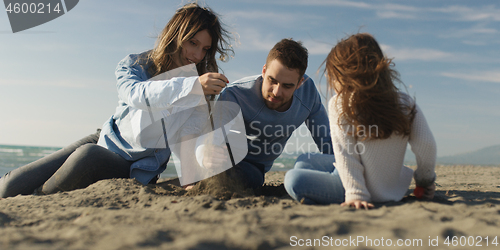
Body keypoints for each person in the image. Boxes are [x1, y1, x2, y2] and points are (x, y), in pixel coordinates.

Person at [0, 2, 234, 198]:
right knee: (9, 186)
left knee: (87, 156)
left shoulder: (198, 88)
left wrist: (190, 179)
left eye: (205, 49)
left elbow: (188, 136)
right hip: (106, 137)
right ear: (175, 35)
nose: (197, 55)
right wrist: (191, 86)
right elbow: (136, 95)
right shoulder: (134, 65)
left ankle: (39, 197)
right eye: (192, 43)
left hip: (134, 163)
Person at [284, 33, 437, 209]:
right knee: (305, 160)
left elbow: (346, 155)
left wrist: (356, 193)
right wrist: (425, 181)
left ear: (345, 74)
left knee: (293, 179)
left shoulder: (341, 103)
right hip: (391, 185)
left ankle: (330, 195)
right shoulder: (404, 102)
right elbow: (426, 145)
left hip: (358, 187)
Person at [215, 38, 333, 190]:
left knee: (248, 177)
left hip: (254, 166)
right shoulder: (235, 94)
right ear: (264, 71)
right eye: (272, 80)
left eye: (287, 86)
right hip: (224, 159)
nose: (277, 92)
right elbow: (211, 138)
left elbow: (327, 141)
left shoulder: (308, 95)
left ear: (299, 83)